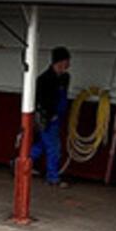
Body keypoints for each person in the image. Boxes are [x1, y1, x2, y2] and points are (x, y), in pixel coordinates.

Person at [30, 46, 73, 186]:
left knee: (43, 145)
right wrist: (49, 115)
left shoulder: (65, 78)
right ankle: (52, 177)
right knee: (54, 147)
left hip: (58, 117)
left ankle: (20, 163)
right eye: (67, 61)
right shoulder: (43, 80)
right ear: (59, 62)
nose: (68, 65)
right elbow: (39, 101)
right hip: (48, 118)